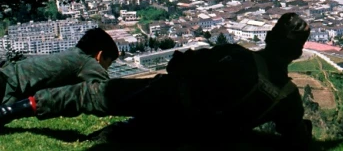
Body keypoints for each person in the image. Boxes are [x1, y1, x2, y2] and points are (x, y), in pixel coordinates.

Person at [0, 13, 312, 148]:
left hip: (168, 96)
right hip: (202, 132)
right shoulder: (288, 98)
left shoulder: (238, 56)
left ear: (269, 36)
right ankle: (121, 134)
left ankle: (13, 111)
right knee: (133, 132)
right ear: (298, 53)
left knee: (94, 95)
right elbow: (294, 135)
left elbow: (181, 62)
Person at [0, 27, 119, 106]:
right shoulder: (86, 62)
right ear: (100, 55)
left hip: (7, 75)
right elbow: (107, 90)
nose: (106, 69)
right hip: (11, 87)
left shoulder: (73, 54)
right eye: (108, 63)